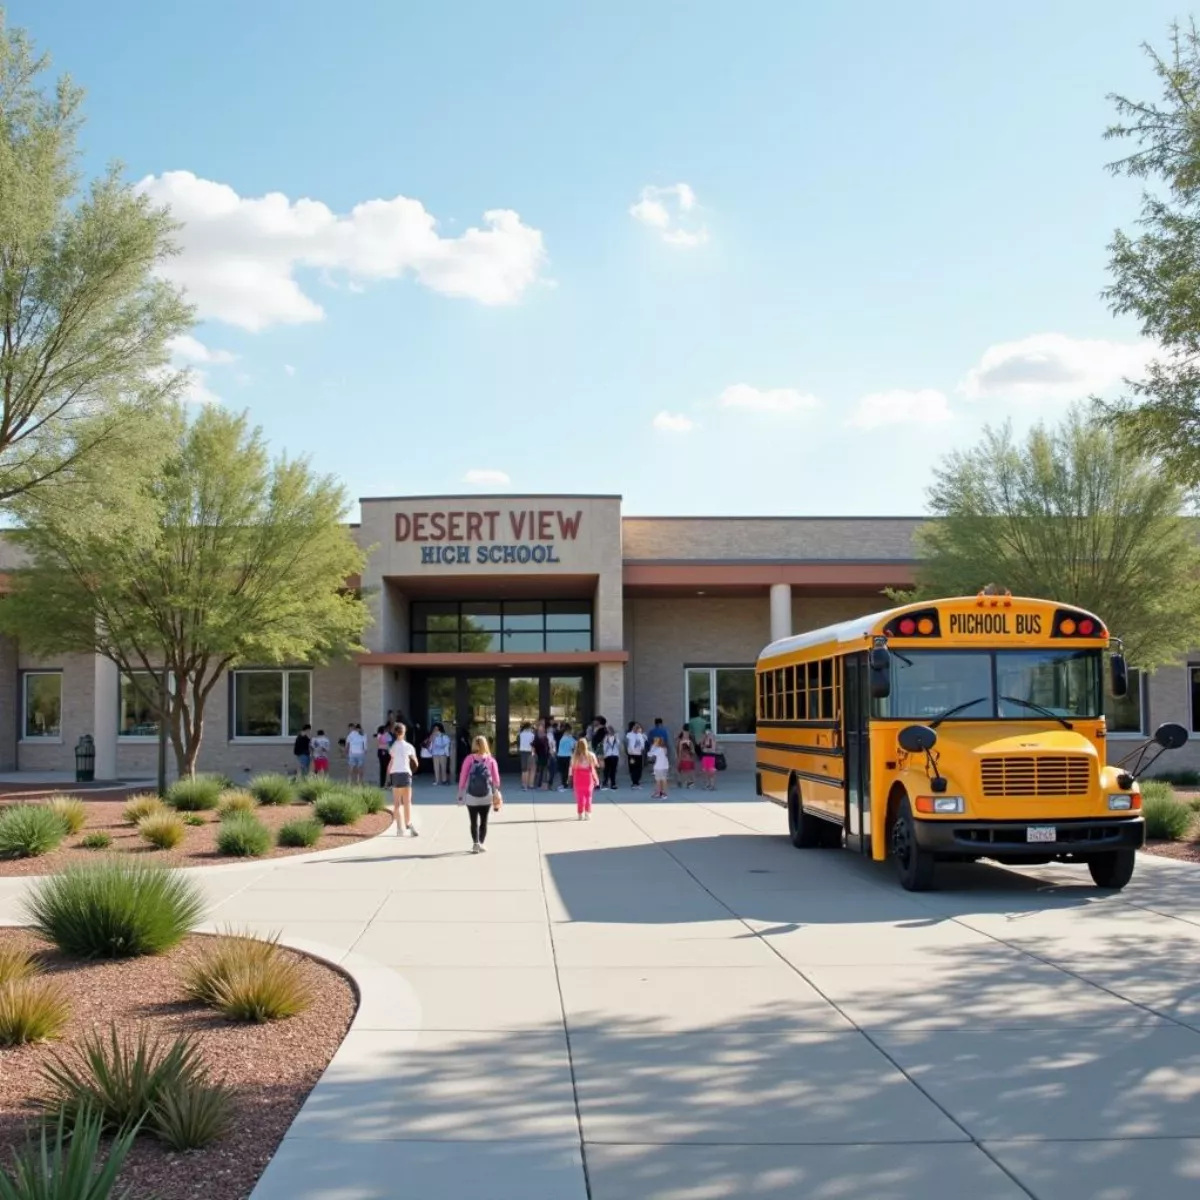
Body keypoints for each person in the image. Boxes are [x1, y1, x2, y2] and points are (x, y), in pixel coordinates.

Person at [457, 734, 502, 853]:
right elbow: (496, 779)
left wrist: (461, 790)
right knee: (484, 821)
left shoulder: (469, 759)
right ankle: (482, 843)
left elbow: (463, 775)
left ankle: (475, 843)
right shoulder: (491, 760)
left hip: (471, 795)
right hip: (486, 795)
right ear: (485, 745)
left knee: (473, 821)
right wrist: (496, 789)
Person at [387, 722, 421, 836]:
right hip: (406, 773)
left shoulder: (392, 747)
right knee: (407, 802)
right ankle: (409, 824)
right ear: (404, 732)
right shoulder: (409, 747)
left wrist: (388, 777)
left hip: (395, 774)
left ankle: (399, 828)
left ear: (395, 733)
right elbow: (415, 762)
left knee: (397, 803)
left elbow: (391, 762)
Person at [571, 736, 599, 821]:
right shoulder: (591, 755)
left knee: (580, 797)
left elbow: (572, 767)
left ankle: (580, 814)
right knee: (588, 796)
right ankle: (587, 813)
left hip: (578, 777)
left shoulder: (574, 756)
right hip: (588, 778)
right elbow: (596, 765)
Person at [625, 721, 646, 790]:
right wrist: (627, 752)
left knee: (639, 768)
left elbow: (645, 741)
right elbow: (626, 743)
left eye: (638, 727)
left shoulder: (641, 735)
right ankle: (634, 782)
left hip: (639, 754)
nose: (636, 728)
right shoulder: (629, 734)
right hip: (632, 755)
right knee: (633, 768)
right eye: (635, 726)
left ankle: (637, 781)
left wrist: (640, 733)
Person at [556, 724, 576, 793]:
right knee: (568, 771)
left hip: (560, 755)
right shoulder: (570, 738)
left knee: (563, 771)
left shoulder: (562, 737)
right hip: (567, 756)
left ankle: (564, 784)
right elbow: (573, 746)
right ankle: (567, 784)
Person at [699, 725, 719, 791]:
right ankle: (708, 784)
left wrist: (706, 748)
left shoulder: (712, 738)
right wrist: (703, 742)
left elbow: (712, 748)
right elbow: (702, 747)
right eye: (706, 731)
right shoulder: (705, 738)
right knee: (705, 771)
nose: (707, 733)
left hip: (710, 756)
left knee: (711, 771)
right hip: (706, 756)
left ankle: (712, 785)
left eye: (708, 731)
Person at [601, 725, 621, 790]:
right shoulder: (606, 738)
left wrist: (615, 738)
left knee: (613, 770)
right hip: (608, 755)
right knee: (606, 770)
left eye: (609, 730)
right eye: (608, 730)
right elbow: (604, 747)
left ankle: (613, 783)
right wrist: (604, 754)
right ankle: (605, 782)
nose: (609, 731)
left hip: (615, 755)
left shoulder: (616, 737)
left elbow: (618, 745)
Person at [517, 721, 536, 790]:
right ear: (529, 727)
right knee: (532, 769)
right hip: (530, 752)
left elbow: (518, 742)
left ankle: (524, 784)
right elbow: (533, 745)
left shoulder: (520, 734)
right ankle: (530, 784)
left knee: (524, 770)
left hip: (522, 752)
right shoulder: (532, 735)